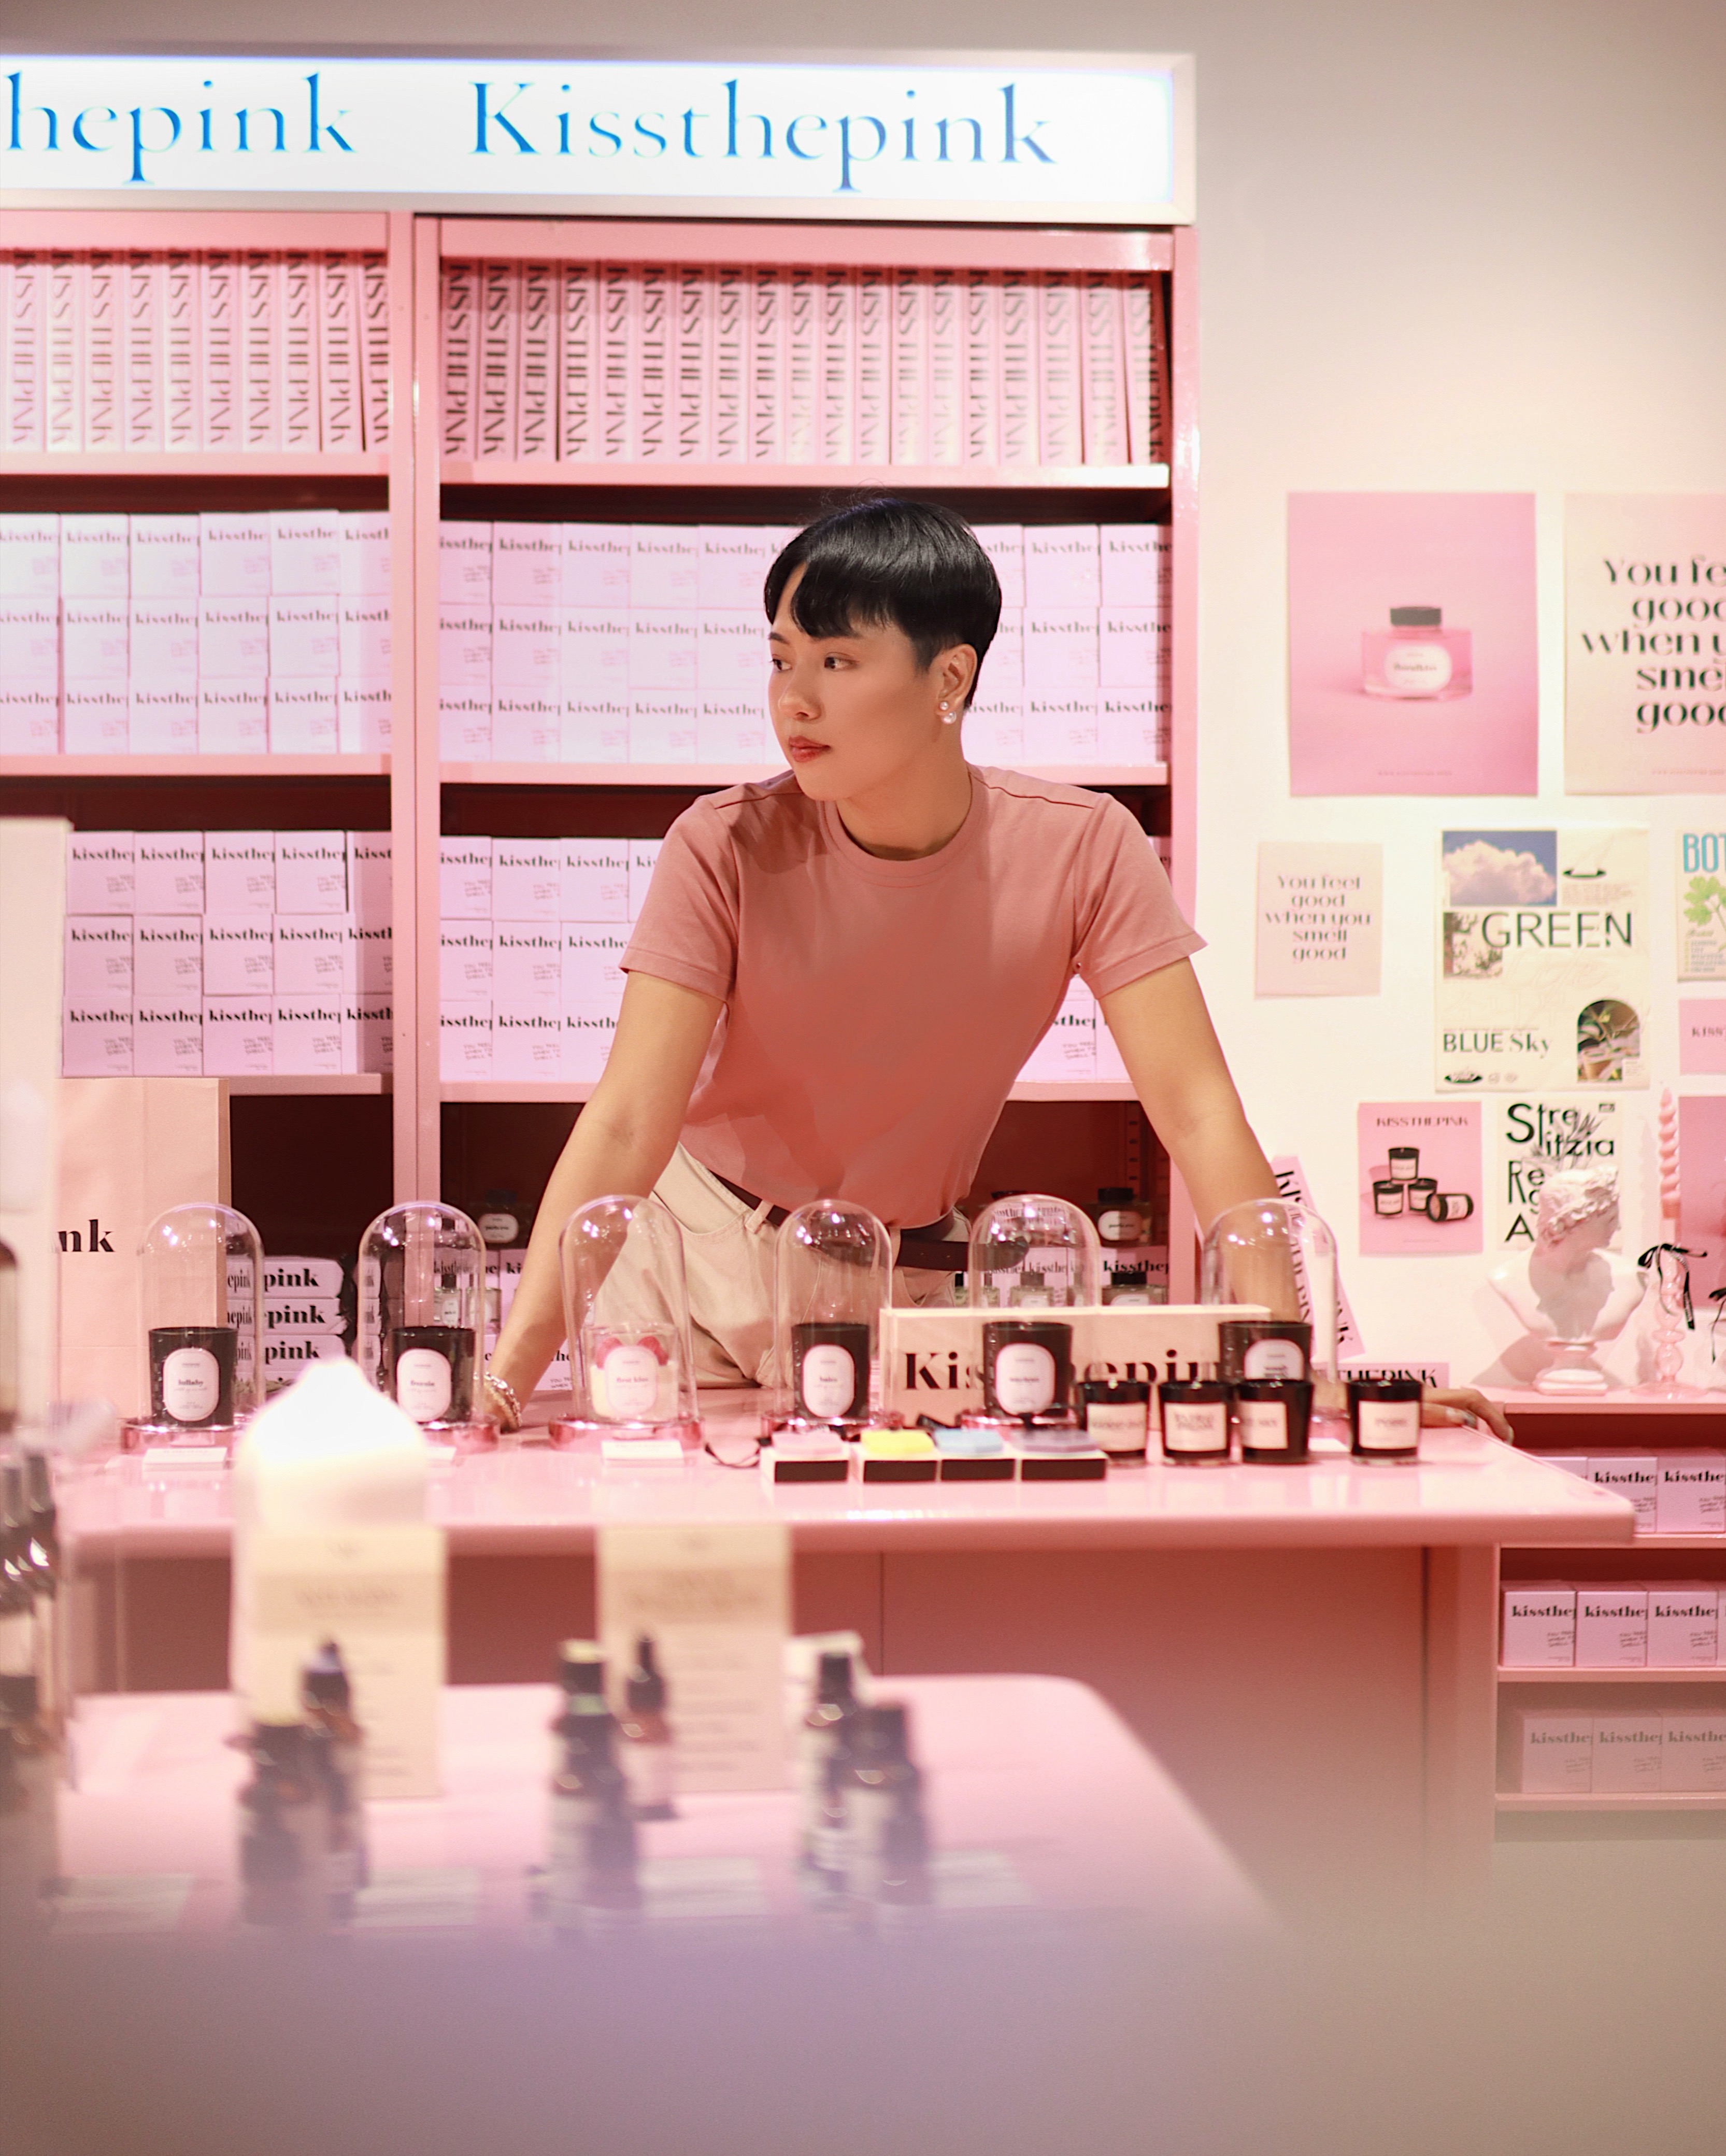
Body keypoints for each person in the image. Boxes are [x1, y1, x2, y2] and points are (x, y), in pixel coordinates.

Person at [484, 499, 1507, 1441]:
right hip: (689, 1259)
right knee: (686, 1547)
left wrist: (1294, 1373)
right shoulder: (721, 844)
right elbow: (628, 1122)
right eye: (781, 659)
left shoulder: (1084, 848)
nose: (794, 699)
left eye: (836, 661)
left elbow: (1198, 1114)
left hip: (901, 1283)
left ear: (950, 679)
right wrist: (502, 1384)